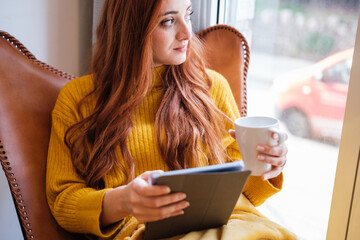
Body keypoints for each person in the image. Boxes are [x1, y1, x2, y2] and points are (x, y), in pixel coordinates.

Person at [46, 0, 297, 239]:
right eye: (168, 21)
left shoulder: (212, 87)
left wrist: (266, 165)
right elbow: (63, 199)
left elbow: (243, 191)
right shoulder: (79, 100)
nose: (187, 33)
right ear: (131, 29)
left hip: (235, 224)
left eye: (188, 15)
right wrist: (123, 200)